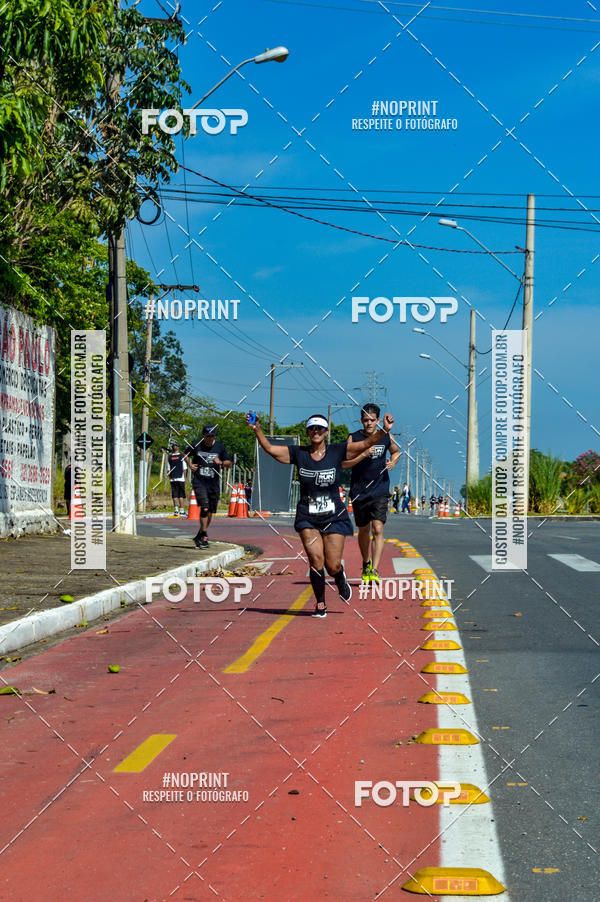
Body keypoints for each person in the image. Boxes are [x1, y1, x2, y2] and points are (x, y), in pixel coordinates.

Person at [247, 411, 394, 617]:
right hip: (308, 515)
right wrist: (258, 430)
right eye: (312, 428)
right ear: (308, 432)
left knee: (332, 565)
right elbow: (271, 449)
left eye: (319, 428)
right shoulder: (299, 453)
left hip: (334, 516)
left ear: (326, 432)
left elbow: (364, 444)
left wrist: (384, 431)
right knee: (316, 560)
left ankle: (339, 577)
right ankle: (320, 603)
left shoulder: (337, 451)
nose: (315, 431)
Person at [347, 404, 400, 584]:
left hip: (380, 488)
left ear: (378, 421)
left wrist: (392, 462)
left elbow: (396, 451)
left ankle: (375, 570)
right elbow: (346, 460)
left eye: (372, 420)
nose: (368, 423)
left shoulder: (386, 436)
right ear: (361, 421)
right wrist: (362, 454)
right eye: (365, 420)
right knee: (363, 529)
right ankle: (366, 562)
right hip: (359, 490)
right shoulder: (353, 438)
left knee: (377, 528)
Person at [184, 425, 232, 548]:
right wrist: (190, 464)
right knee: (204, 508)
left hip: (213, 483)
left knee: (210, 511)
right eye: (208, 436)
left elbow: (229, 463)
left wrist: (220, 462)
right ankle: (204, 535)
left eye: (212, 436)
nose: (210, 438)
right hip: (200, 482)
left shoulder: (220, 447)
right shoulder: (196, 445)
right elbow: (185, 454)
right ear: (203, 436)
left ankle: (200, 534)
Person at [167, 443, 187, 516]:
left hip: (173, 479)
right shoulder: (181, 457)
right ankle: (181, 511)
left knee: (174, 495)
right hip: (180, 478)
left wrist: (170, 478)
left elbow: (168, 470)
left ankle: (176, 510)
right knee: (181, 495)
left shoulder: (169, 458)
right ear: (178, 448)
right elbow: (184, 469)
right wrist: (184, 478)